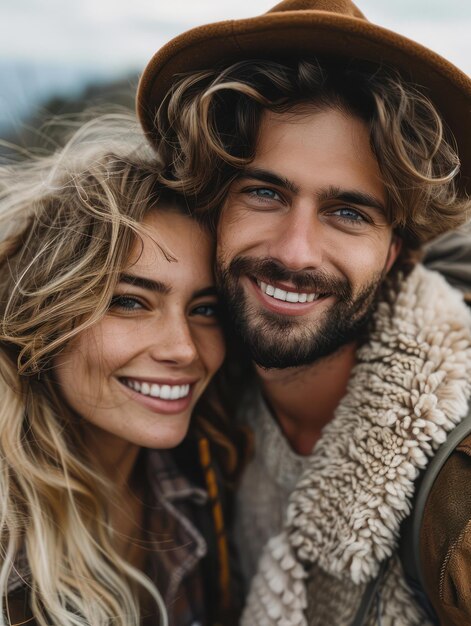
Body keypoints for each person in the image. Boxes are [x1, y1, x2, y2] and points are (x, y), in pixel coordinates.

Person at [136, 1, 471, 624]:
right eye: (265, 192)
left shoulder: (457, 496)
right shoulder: (182, 398)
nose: (294, 251)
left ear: (396, 249)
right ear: (212, 209)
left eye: (348, 212)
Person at [0, 114, 241, 626]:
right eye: (131, 303)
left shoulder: (209, 475)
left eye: (206, 309)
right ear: (45, 313)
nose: (183, 350)